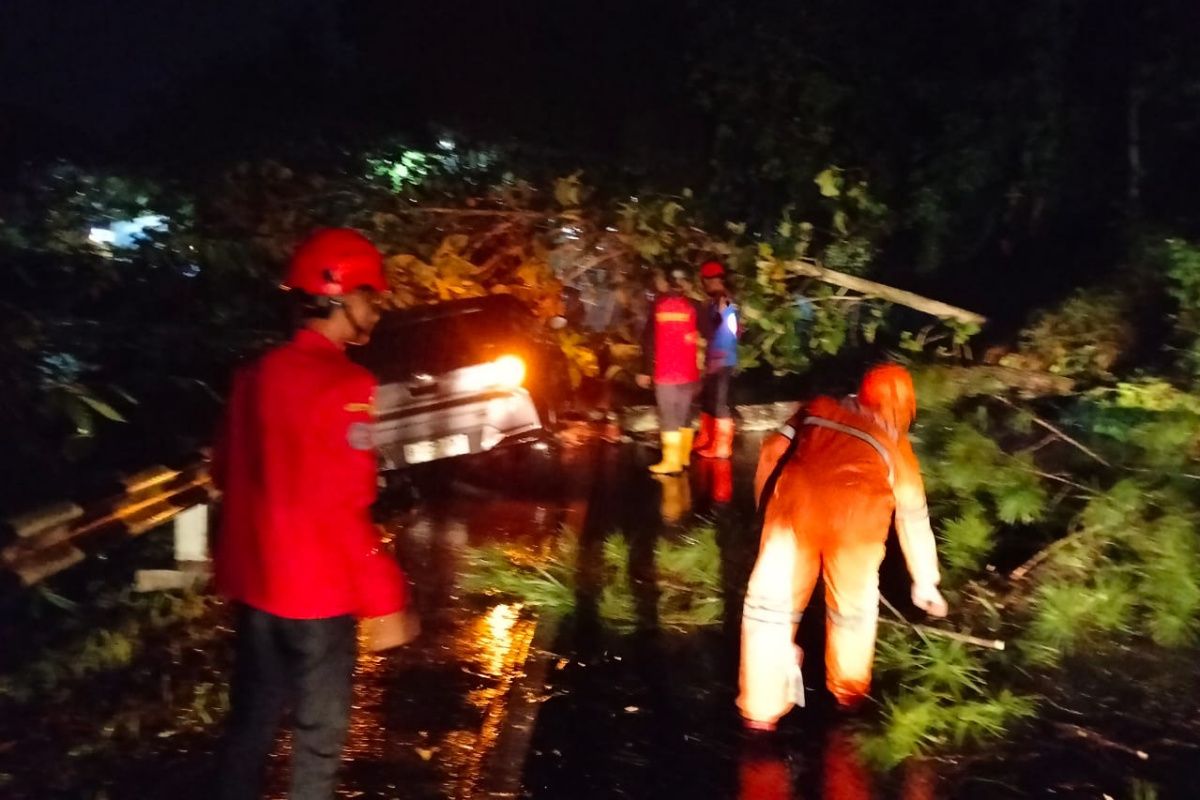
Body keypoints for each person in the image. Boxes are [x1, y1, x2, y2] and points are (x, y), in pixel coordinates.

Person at [212, 228, 417, 800]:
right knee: (319, 737)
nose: (377, 308)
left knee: (248, 730)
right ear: (337, 296)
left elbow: (224, 472)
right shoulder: (348, 384)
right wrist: (386, 596)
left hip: (257, 590)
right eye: (370, 295)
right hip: (318, 596)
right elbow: (345, 505)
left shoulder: (252, 376)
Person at [738, 363, 948, 730]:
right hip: (857, 526)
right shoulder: (895, 445)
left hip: (794, 513)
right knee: (851, 612)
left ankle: (761, 710)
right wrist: (925, 580)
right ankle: (848, 699)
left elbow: (772, 449)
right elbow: (912, 513)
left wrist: (764, 510)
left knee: (770, 610)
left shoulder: (816, 409)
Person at [636, 267, 701, 475]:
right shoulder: (696, 306)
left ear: (666, 283)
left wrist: (645, 370)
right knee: (684, 413)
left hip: (666, 370)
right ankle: (683, 457)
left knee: (668, 415)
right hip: (690, 371)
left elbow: (648, 340)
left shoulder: (658, 306)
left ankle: (671, 461)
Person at [693, 260, 740, 460]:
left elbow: (729, 331)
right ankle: (707, 438)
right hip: (716, 358)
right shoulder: (718, 301)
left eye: (705, 281)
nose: (705, 286)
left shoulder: (724, 301)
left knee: (719, 402)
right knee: (709, 400)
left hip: (722, 358)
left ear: (712, 280)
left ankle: (721, 446)